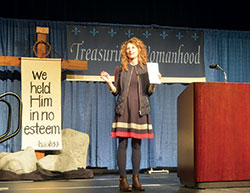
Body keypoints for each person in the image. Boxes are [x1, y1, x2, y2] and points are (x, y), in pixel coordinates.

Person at [100, 37, 160, 192]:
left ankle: (136, 179)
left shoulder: (147, 69)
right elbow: (116, 92)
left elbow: (149, 92)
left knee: (137, 145)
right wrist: (108, 82)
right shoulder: (120, 69)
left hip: (140, 111)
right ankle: (122, 180)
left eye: (133, 47)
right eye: (128, 48)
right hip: (124, 110)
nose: (130, 50)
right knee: (122, 144)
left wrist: (155, 81)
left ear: (139, 49)